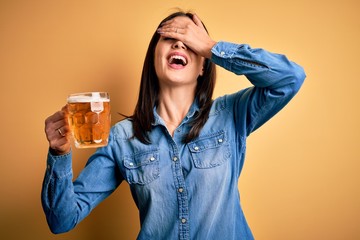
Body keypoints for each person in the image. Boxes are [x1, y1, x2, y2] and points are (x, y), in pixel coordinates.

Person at [42, 11, 306, 240]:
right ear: (154, 55)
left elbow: (290, 78)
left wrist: (212, 47)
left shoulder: (231, 114)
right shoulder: (122, 139)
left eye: (189, 41)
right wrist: (60, 154)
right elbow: (62, 220)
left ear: (203, 64)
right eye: (170, 38)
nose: (180, 44)